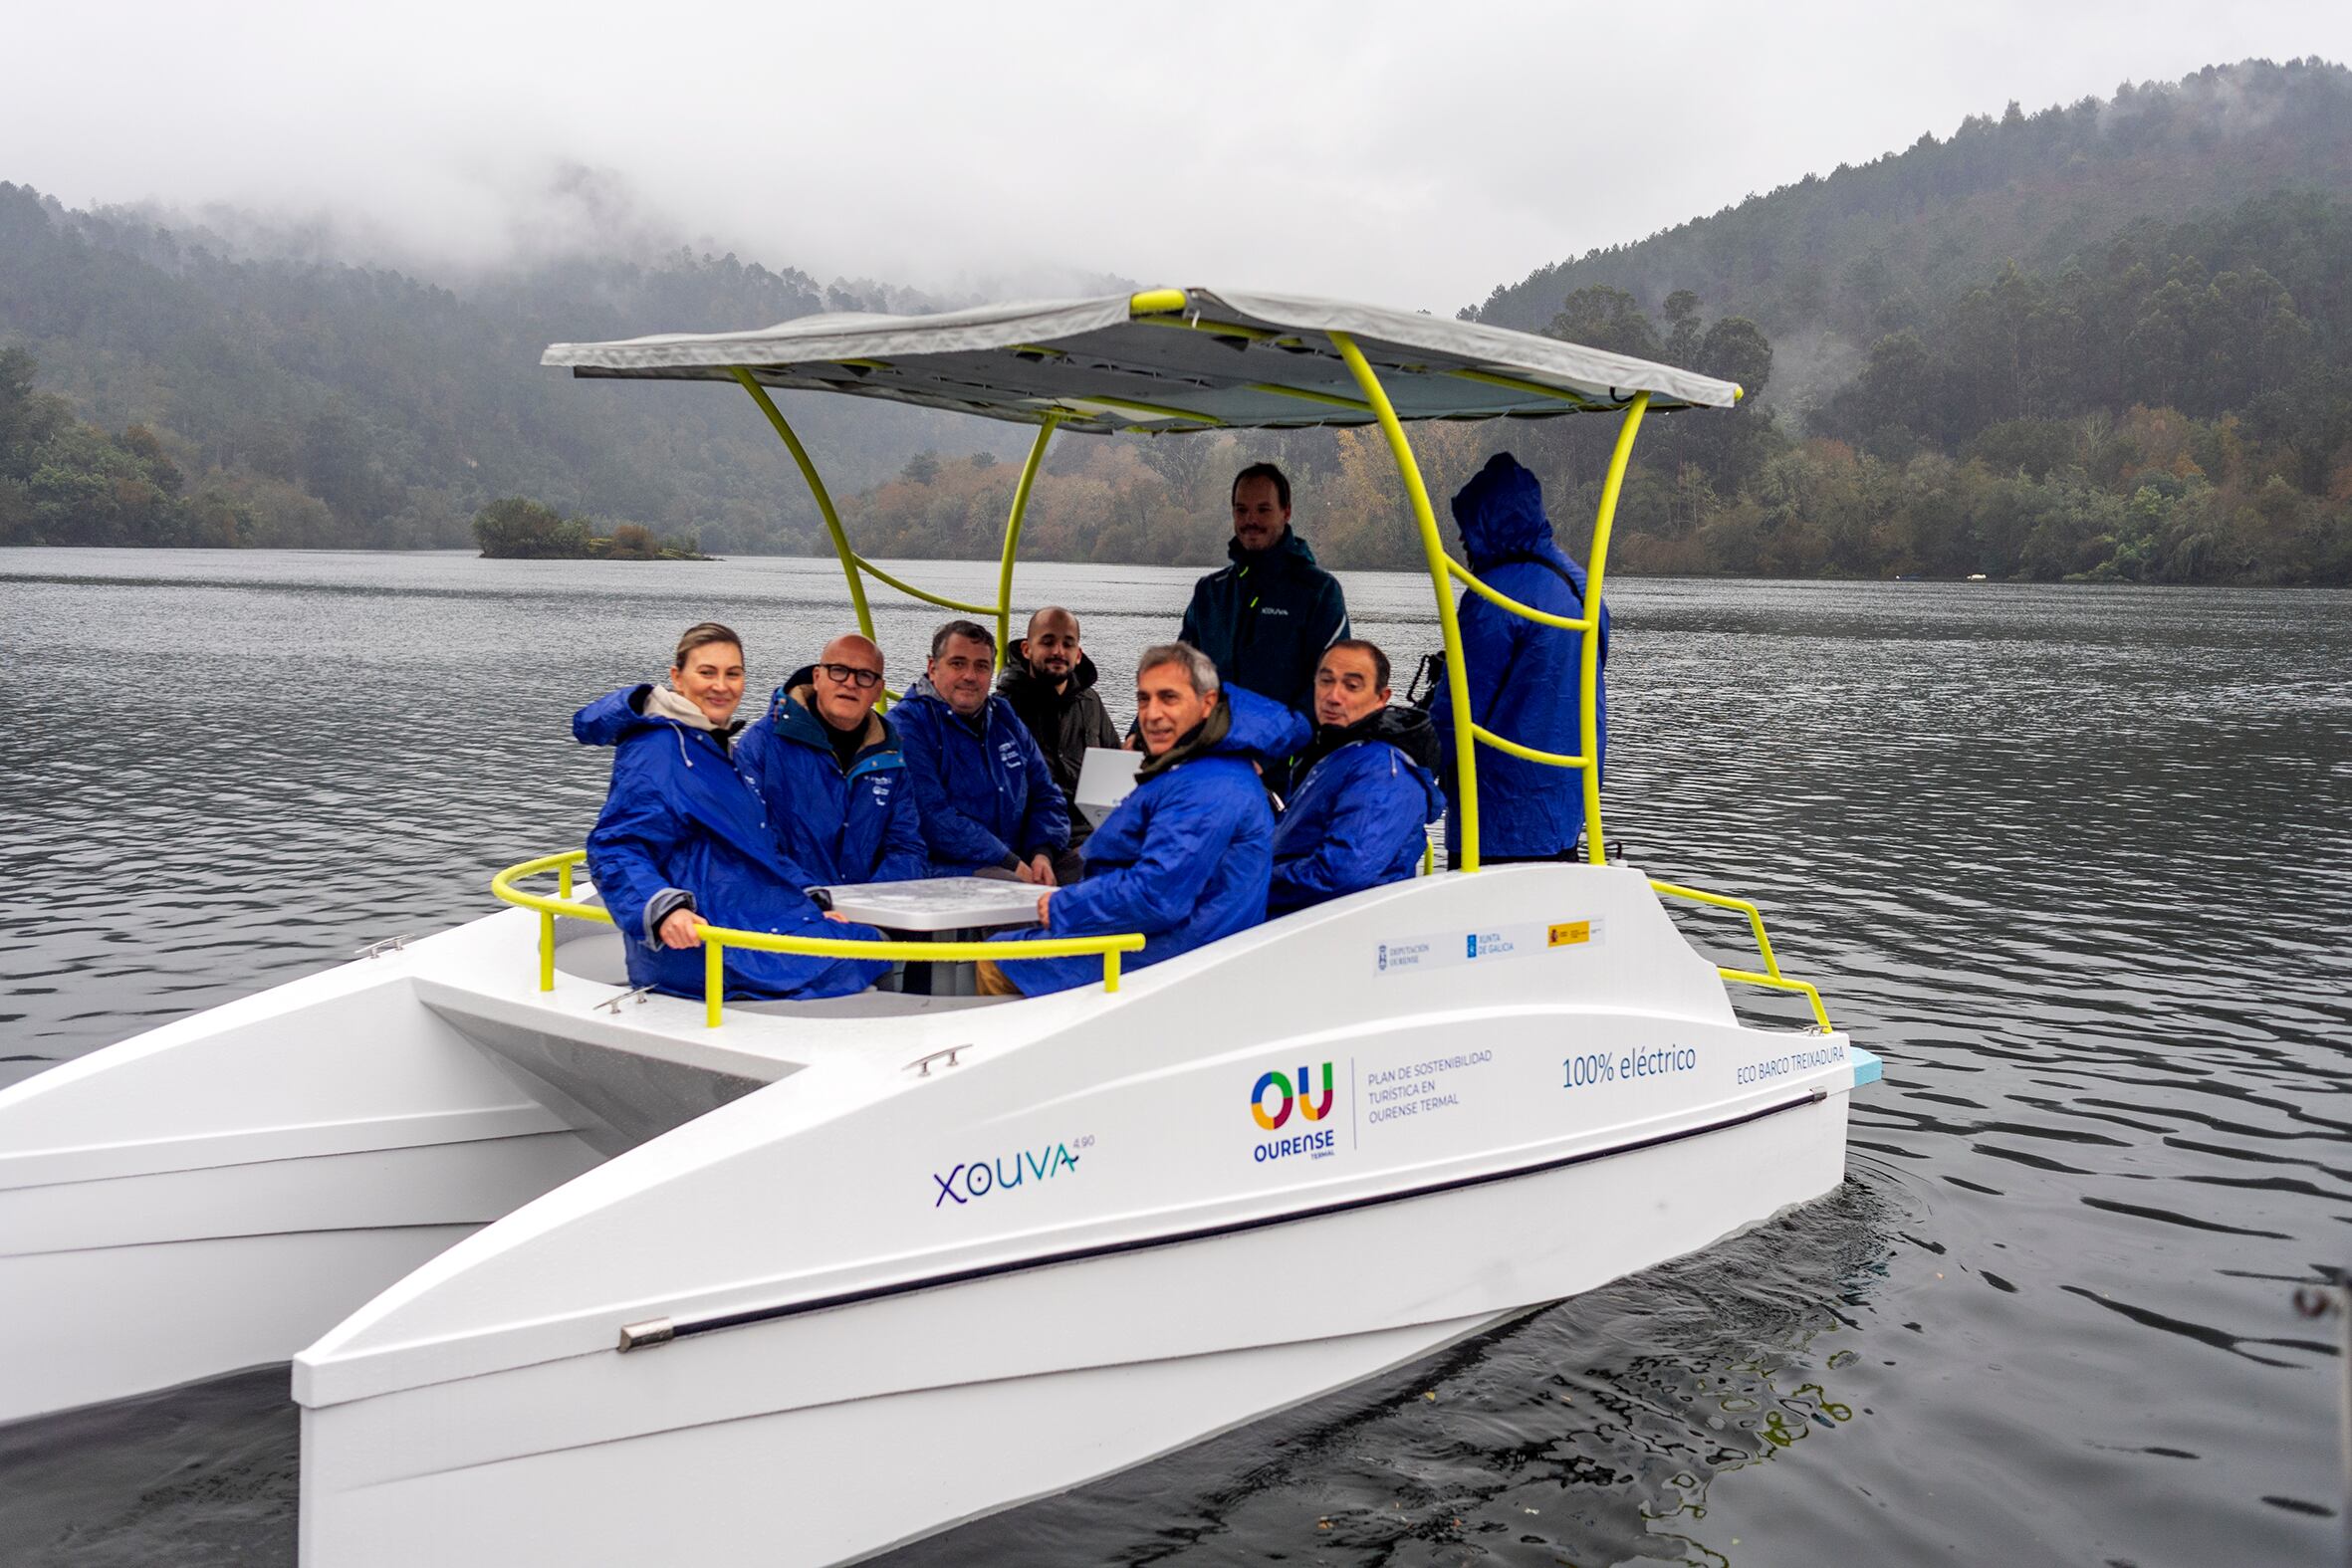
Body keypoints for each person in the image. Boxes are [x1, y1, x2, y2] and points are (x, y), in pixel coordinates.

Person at [575, 622, 888, 1002]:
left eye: (732, 674)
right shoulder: (659, 748)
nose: (721, 686)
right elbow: (615, 846)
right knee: (867, 950)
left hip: (740, 917)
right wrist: (663, 911)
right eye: (707, 672)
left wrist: (810, 900)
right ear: (678, 677)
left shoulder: (712, 746)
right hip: (705, 943)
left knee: (866, 941)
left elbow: (757, 848)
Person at [979, 644, 1308, 998]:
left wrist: (1064, 906)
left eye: (1169, 698)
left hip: (1177, 953)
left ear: (1207, 704)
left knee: (997, 959)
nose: (1152, 714)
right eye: (1144, 699)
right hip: (1189, 938)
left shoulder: (1208, 785)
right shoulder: (1205, 767)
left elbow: (1158, 895)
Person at [1428, 452, 1611, 864]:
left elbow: (1459, 705)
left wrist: (1419, 779)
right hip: (1567, 806)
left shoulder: (1492, 597)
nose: (1461, 540)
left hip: (1496, 815)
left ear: (1488, 523)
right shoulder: (1583, 586)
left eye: (1468, 527)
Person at [734, 632, 927, 888]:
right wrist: (814, 898)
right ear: (817, 677)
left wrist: (871, 901)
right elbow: (752, 840)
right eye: (838, 671)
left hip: (870, 914)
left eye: (864, 676)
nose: (850, 683)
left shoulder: (891, 759)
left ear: (879, 691)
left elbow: (907, 847)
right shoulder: (763, 743)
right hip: (789, 910)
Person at [894, 618, 1077, 884]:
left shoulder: (1003, 716)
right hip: (943, 869)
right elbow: (932, 817)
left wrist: (1042, 853)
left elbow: (1046, 794)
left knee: (1110, 861)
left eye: (981, 666)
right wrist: (1009, 861)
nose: (970, 676)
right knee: (1011, 888)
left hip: (1020, 860)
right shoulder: (908, 726)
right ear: (932, 668)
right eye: (958, 664)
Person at [1268, 639, 1443, 916]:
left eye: (1352, 686)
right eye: (1326, 681)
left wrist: (1251, 883)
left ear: (1382, 698)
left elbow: (1343, 872)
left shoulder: (1384, 771)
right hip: (1302, 919)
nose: (1333, 696)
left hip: (1343, 930)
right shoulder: (1332, 752)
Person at [1178, 462, 1350, 717]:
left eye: (1263, 509)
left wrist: (1276, 743)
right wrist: (1141, 733)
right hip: (1215, 749)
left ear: (1286, 512)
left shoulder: (1319, 591)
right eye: (1241, 510)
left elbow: (1332, 686)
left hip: (1290, 753)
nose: (1251, 520)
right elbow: (1176, 674)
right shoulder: (1209, 592)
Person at [994, 605, 1120, 847]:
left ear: (1079, 654)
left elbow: (1115, 766)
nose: (1058, 651)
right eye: (1048, 642)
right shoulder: (1002, 710)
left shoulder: (1091, 702)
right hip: (1031, 838)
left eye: (1068, 644)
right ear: (1027, 649)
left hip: (1093, 833)